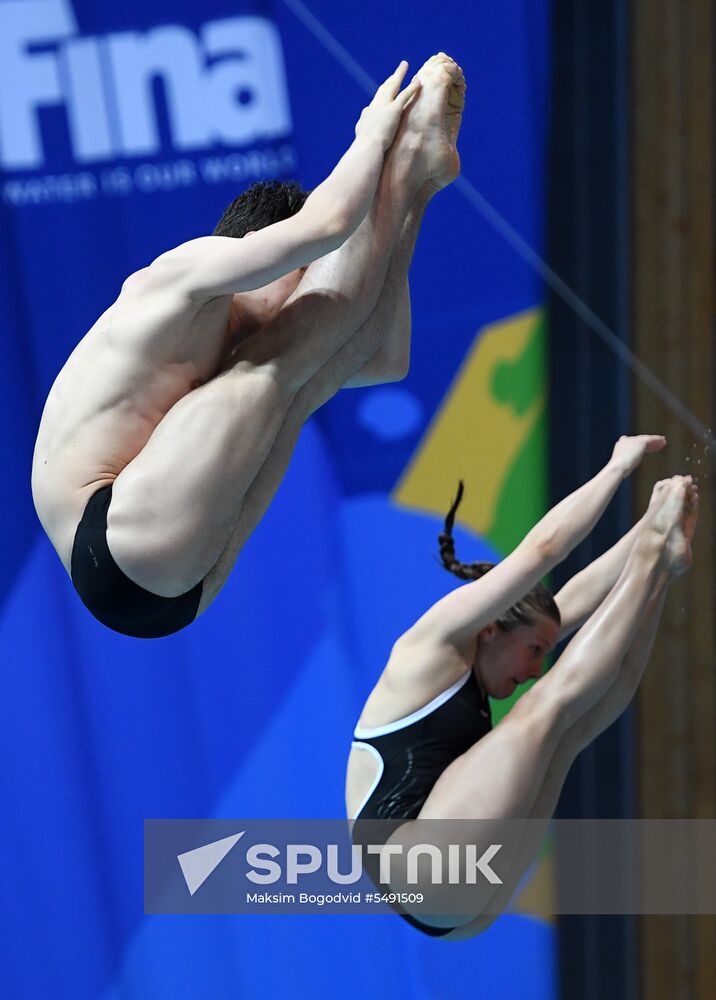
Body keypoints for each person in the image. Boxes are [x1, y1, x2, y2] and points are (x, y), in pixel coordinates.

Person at [31, 54, 466, 638]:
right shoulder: (176, 282)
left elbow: (383, 358)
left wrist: (411, 211)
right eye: (301, 272)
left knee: (305, 381)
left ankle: (420, 180)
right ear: (259, 246)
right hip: (110, 538)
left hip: (179, 590)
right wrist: (377, 137)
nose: (305, 293)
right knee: (279, 367)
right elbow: (331, 222)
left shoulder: (239, 342)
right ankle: (412, 161)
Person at [346, 435, 699, 937]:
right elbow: (544, 549)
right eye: (534, 651)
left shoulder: (492, 646)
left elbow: (570, 602)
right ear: (491, 626)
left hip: (459, 901)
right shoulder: (433, 644)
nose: (535, 668)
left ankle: (661, 569)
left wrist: (654, 523)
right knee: (545, 708)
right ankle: (653, 554)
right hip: (423, 870)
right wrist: (616, 467)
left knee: (569, 731)